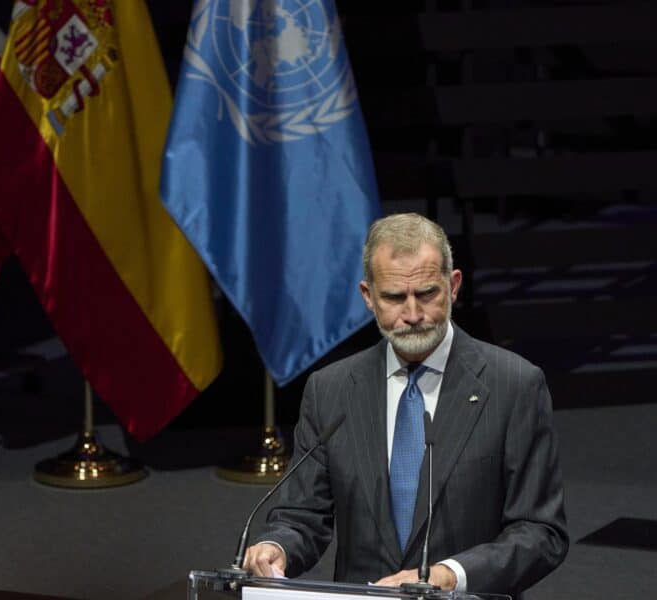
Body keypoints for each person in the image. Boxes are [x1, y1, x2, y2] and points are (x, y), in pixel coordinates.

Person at [243, 213, 567, 598]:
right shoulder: (330, 389)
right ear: (368, 297)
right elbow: (302, 515)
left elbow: (540, 532)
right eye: (395, 297)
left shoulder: (514, 385)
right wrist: (276, 546)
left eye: (427, 293)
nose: (413, 315)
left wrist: (450, 575)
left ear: (454, 285)